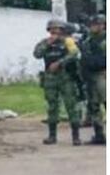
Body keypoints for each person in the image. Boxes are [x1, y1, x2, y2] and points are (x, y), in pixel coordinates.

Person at [34, 19, 81, 145]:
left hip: (65, 77)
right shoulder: (45, 42)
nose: (54, 31)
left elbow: (74, 54)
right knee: (52, 106)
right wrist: (48, 44)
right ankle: (52, 135)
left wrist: (59, 63)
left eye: (57, 29)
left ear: (62, 30)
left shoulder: (68, 42)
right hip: (50, 77)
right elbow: (37, 54)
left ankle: (76, 136)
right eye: (52, 29)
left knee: (71, 105)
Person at [81, 14, 106, 145]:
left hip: (104, 74)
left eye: (96, 24)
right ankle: (99, 135)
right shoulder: (88, 40)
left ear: (103, 25)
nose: (93, 27)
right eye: (92, 25)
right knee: (94, 106)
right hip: (91, 76)